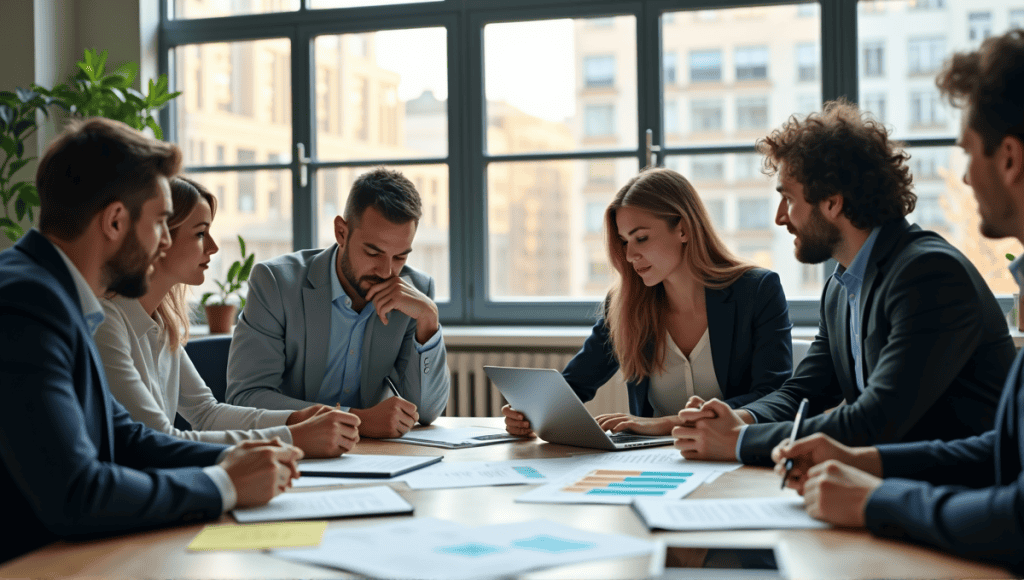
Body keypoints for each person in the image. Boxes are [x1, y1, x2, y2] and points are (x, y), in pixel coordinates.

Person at [771, 32, 1024, 573]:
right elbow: (999, 451)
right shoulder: (840, 285)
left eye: (966, 152)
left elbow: (1016, 506)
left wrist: (871, 495)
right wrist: (859, 461)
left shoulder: (928, 272)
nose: (962, 176)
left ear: (1009, 159)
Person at [0, 118, 302, 563]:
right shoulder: (27, 302)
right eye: (161, 222)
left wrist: (235, 460)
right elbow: (77, 494)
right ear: (116, 221)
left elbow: (126, 437)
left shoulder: (58, 292)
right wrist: (224, 486)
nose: (165, 242)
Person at [673, 99, 1017, 465]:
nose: (779, 218)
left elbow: (875, 420)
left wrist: (738, 442)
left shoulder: (928, 274)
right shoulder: (840, 288)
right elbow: (804, 392)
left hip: (964, 496)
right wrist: (735, 419)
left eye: (788, 199)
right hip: (894, 484)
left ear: (833, 203)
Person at [503, 167, 793, 437]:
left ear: (683, 229)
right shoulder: (624, 303)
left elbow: (772, 394)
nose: (630, 255)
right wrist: (532, 414)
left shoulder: (757, 291)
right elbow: (575, 383)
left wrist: (670, 423)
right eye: (624, 241)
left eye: (641, 238)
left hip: (733, 456)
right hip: (653, 462)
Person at [94, 176, 360, 457]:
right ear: (158, 238)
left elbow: (206, 412)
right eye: (199, 234)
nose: (213, 246)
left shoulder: (162, 322)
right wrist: (291, 436)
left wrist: (295, 418)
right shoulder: (106, 323)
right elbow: (159, 439)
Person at [226, 167, 449, 438]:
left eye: (400, 257)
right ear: (341, 232)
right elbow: (245, 398)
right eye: (373, 252)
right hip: (291, 450)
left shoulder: (413, 293)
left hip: (371, 456)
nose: (387, 271)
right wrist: (357, 420)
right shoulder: (276, 283)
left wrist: (428, 320)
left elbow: (425, 412)